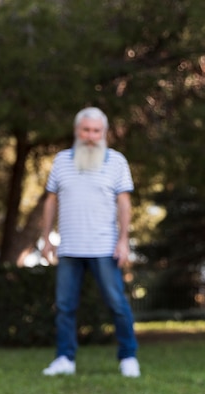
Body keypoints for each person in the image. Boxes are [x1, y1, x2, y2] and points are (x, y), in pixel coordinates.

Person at [41, 107, 140, 378]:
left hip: (104, 247)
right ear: (77, 131)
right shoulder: (61, 161)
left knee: (117, 303)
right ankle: (64, 358)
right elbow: (51, 200)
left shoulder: (117, 161)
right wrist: (46, 237)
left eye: (96, 131)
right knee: (64, 306)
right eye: (86, 130)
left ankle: (128, 356)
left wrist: (123, 241)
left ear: (104, 133)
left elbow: (124, 202)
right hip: (69, 247)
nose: (91, 136)